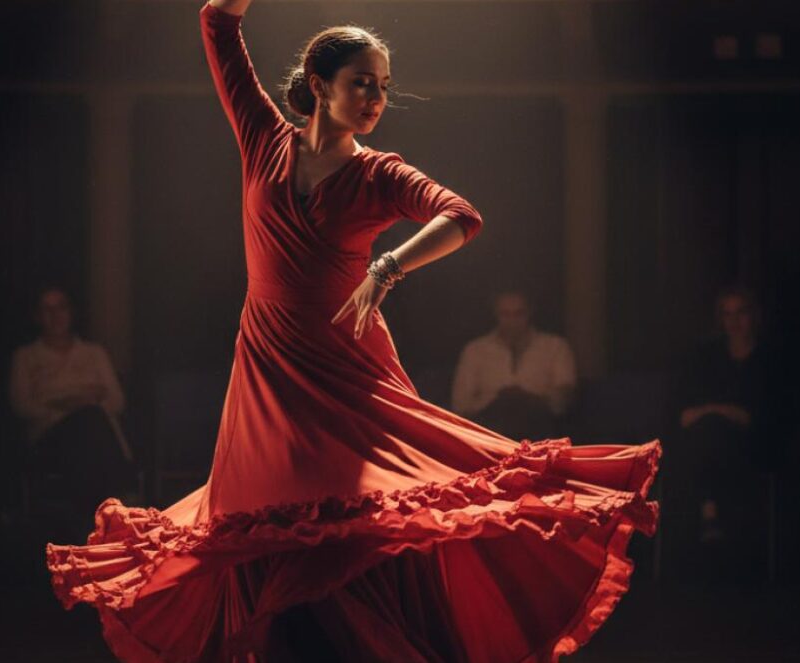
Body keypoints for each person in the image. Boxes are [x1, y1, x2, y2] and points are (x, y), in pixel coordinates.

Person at [47, 3, 660, 661]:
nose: (374, 98)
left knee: (352, 531)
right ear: (319, 83)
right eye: (361, 82)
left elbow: (461, 214)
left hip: (347, 372)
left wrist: (390, 264)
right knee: (265, 529)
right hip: (269, 372)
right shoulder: (263, 137)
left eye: (382, 87)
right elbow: (217, 24)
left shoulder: (378, 173)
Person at [668, 286, 786, 578]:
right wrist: (719, 412)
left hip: (753, 447)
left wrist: (715, 412)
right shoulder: (705, 358)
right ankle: (710, 523)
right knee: (708, 434)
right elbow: (682, 414)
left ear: (754, 316)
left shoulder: (770, 359)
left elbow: (759, 416)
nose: (734, 321)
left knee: (712, 433)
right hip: (706, 444)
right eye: (727, 314)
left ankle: (711, 514)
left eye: (741, 313)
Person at [11, 287, 131, 529]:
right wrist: (67, 404)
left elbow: (117, 401)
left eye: (61, 307)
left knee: (91, 420)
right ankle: (117, 497)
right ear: (37, 316)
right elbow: (22, 406)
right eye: (48, 309)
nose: (56, 315)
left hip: (95, 436)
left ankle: (100, 513)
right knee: (88, 418)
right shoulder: (27, 357)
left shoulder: (93, 353)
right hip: (50, 440)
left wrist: (76, 405)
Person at [452, 291, 577, 440]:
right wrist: (497, 401)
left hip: (540, 432)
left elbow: (562, 403)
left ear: (530, 312)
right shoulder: (475, 350)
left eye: (519, 314)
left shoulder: (555, 347)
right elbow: (460, 405)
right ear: (496, 314)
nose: (512, 321)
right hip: (489, 433)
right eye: (505, 314)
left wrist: (528, 400)